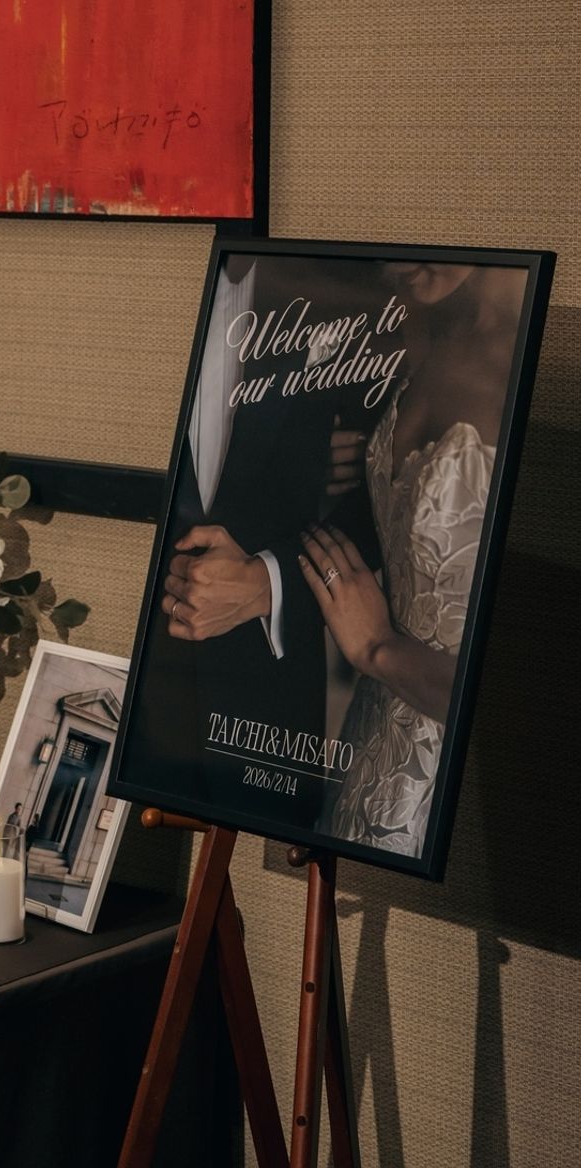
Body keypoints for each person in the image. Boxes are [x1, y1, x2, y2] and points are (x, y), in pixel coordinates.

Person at [119, 254, 386, 830]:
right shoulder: (119, 282)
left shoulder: (348, 284)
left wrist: (270, 581)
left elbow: (393, 499)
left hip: (260, 696)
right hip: (118, 658)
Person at [302, 261, 526, 858]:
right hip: (365, 748)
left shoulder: (531, 367)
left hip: (453, 789)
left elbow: (525, 689)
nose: (394, 265)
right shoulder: (423, 327)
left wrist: (378, 648)